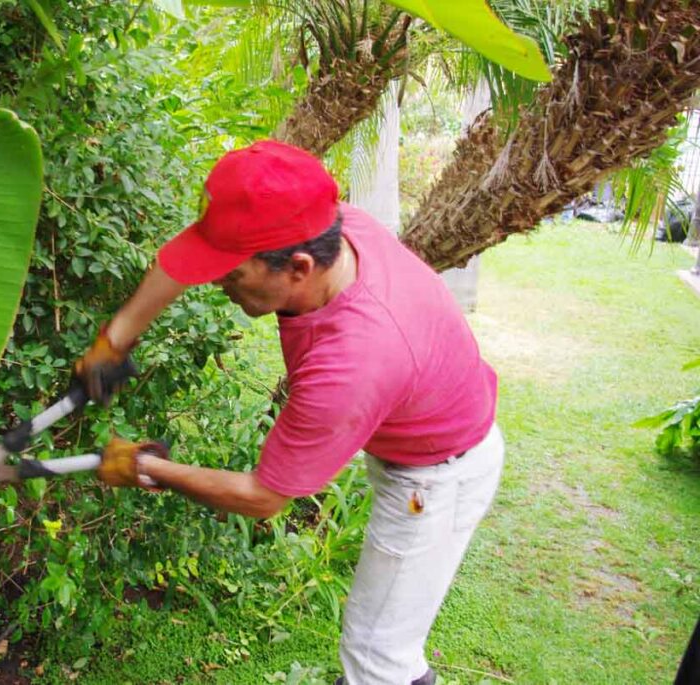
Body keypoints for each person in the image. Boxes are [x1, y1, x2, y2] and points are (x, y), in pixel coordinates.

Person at [78, 140, 504, 685]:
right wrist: (115, 339)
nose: (217, 281)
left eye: (231, 275)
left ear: (298, 268)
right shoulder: (330, 227)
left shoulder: (351, 363)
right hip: (431, 431)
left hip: (435, 477)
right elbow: (193, 260)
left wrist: (145, 467)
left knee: (379, 656)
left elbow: (263, 497)